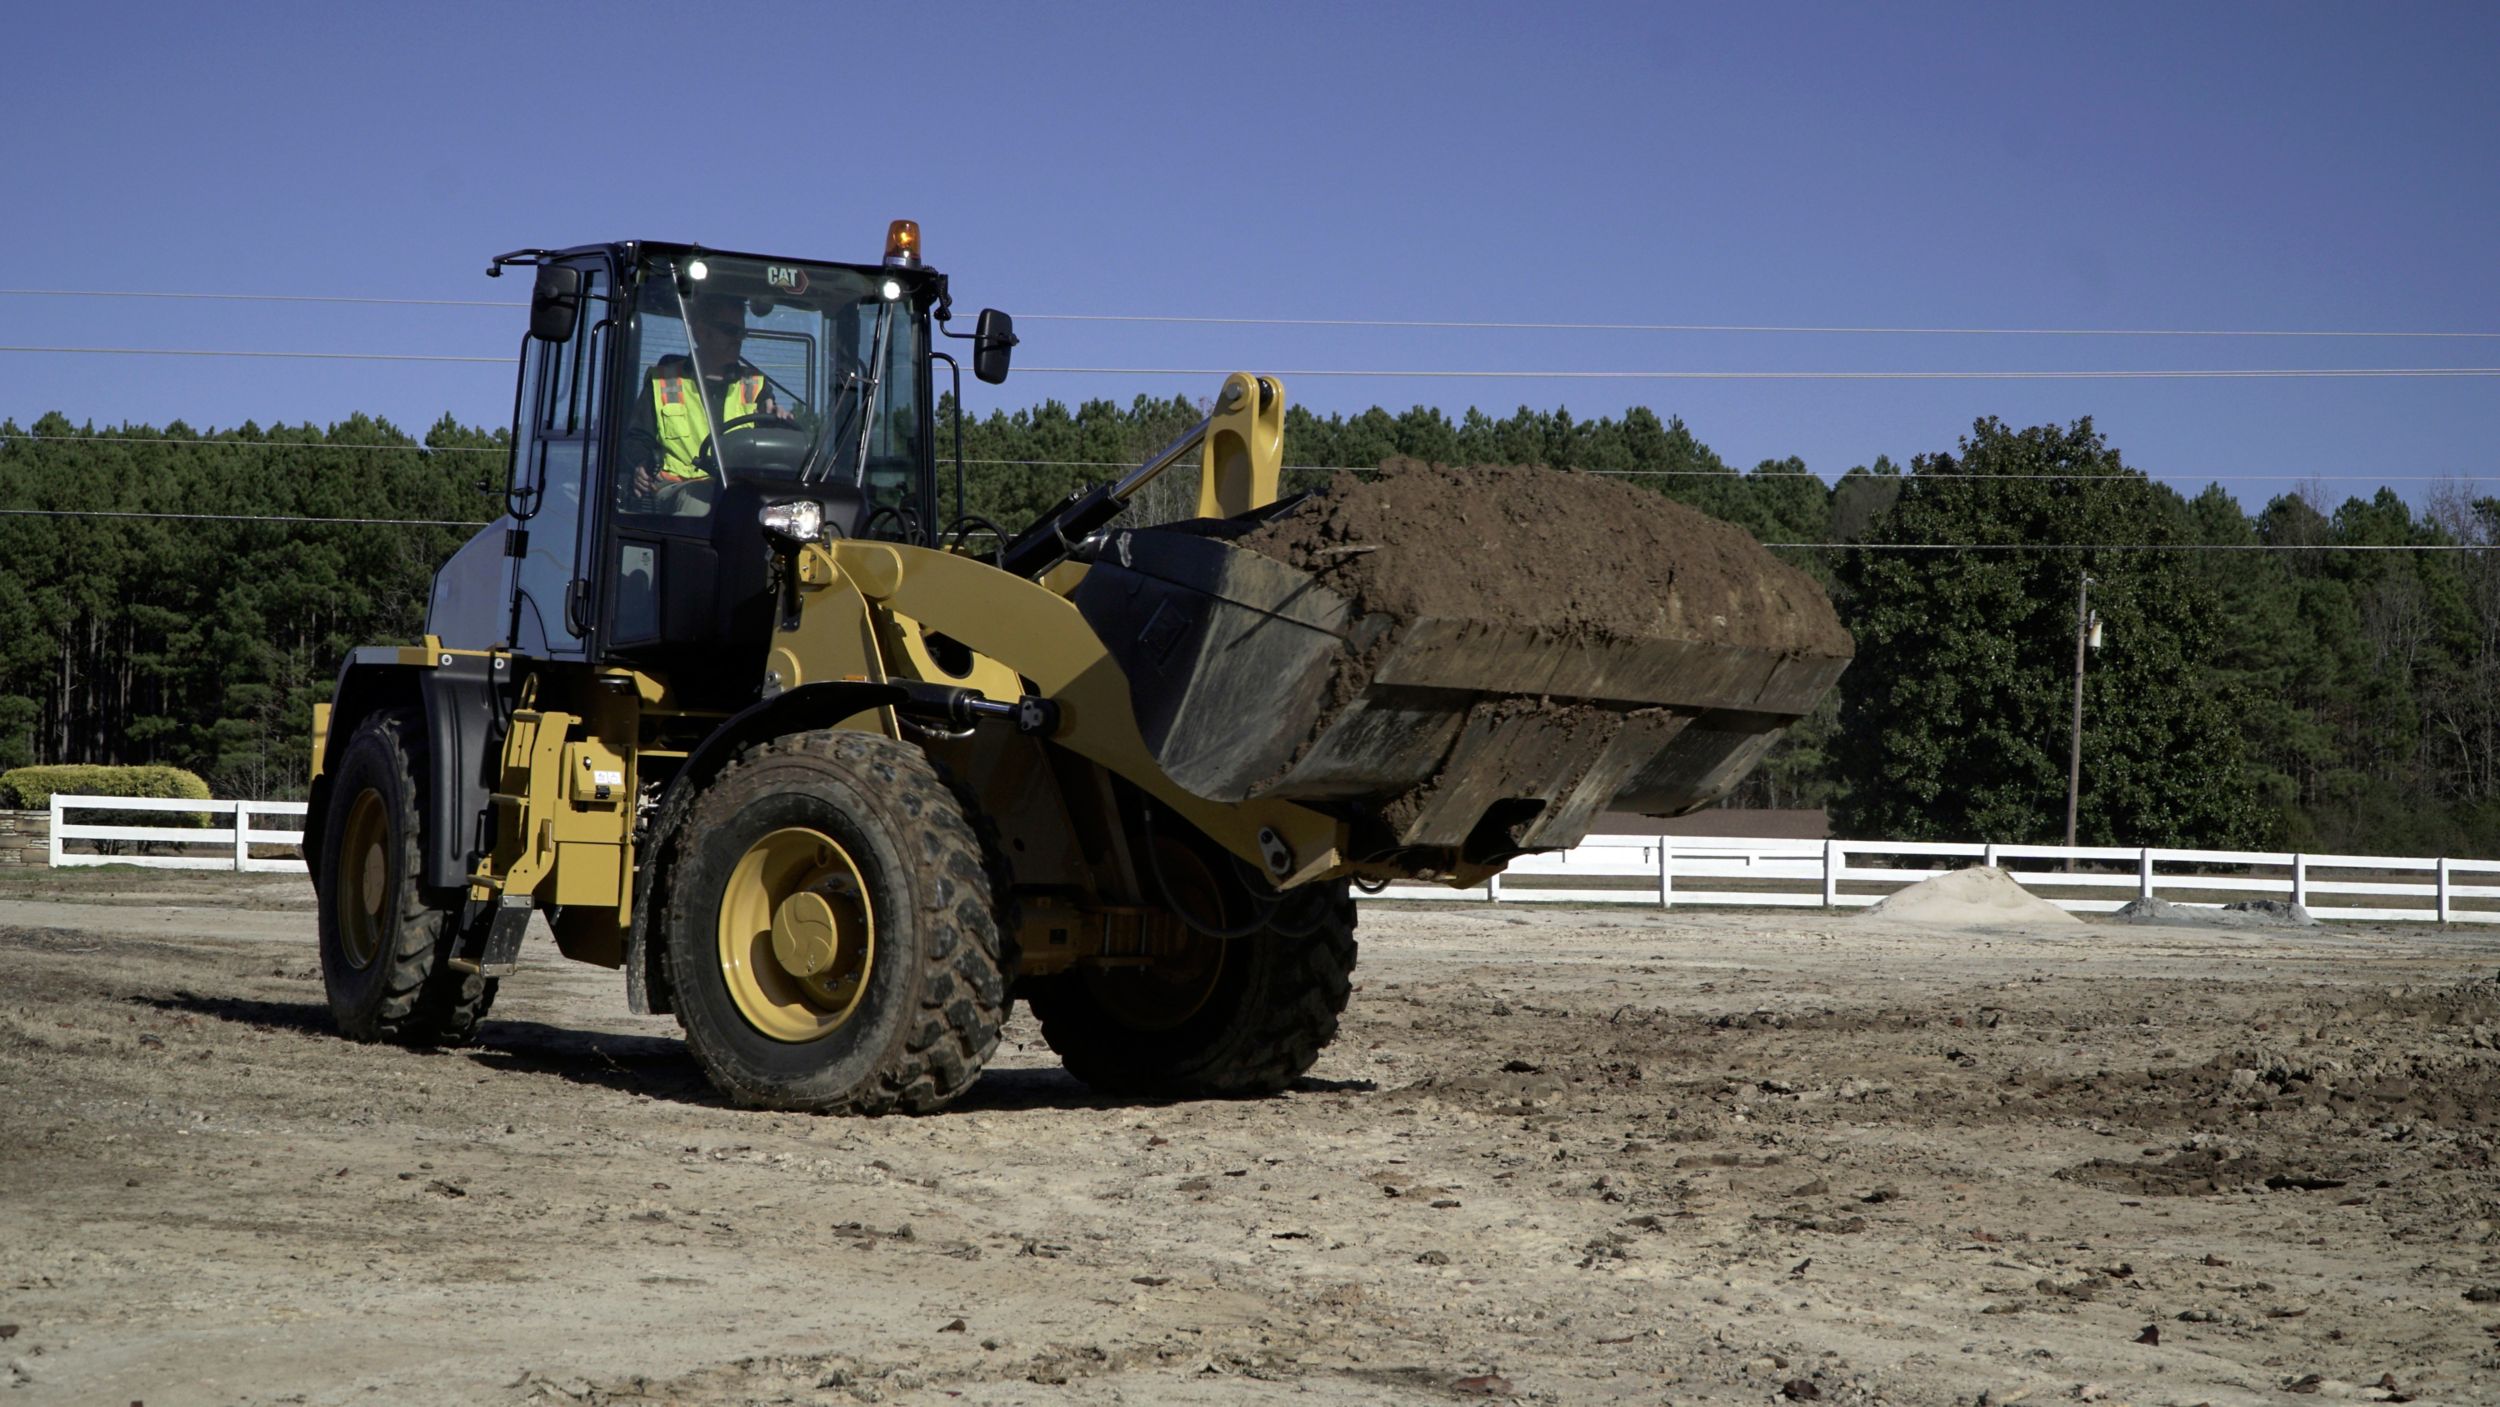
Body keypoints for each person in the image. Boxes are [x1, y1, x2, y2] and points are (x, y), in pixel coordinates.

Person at [628, 292, 790, 504]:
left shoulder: (756, 385)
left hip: (736, 490)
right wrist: (641, 464)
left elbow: (769, 450)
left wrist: (778, 424)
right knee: (704, 504)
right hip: (677, 488)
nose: (738, 339)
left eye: (742, 332)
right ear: (702, 332)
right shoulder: (663, 382)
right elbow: (637, 440)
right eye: (730, 331)